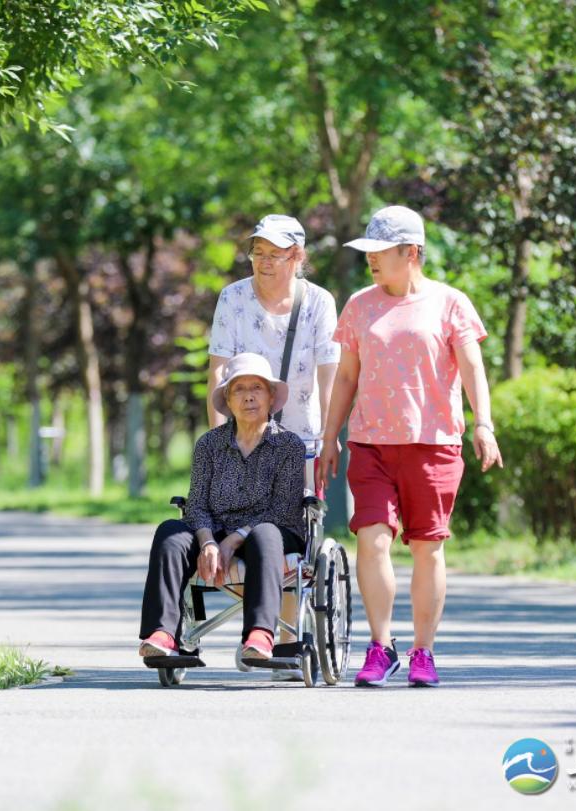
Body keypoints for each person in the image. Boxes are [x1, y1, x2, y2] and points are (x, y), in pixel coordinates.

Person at [317, 205, 502, 688]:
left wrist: (483, 424)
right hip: (371, 442)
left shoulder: (450, 303)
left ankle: (424, 651)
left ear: (411, 252)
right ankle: (381, 647)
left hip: (432, 443)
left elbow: (473, 368)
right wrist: (330, 437)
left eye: (381, 251)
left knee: (427, 548)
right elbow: (347, 377)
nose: (372, 259)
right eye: (369, 251)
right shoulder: (359, 305)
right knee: (372, 539)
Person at [207, 214, 341, 678]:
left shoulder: (319, 302)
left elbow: (329, 376)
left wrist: (331, 438)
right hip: (242, 438)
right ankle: (259, 627)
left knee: (286, 535)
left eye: (275, 254)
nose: (263, 261)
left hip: (300, 438)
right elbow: (218, 372)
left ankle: (282, 639)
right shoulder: (233, 298)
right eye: (258, 252)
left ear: (297, 257)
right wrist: (219, 443)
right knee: (234, 524)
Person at [139, 353, 306, 663]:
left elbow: (281, 510)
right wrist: (208, 543)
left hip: (270, 534)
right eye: (238, 389)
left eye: (257, 387)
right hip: (214, 530)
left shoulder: (289, 446)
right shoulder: (209, 445)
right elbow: (197, 503)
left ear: (271, 396)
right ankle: (162, 634)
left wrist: (234, 539)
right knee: (170, 532)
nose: (248, 396)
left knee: (266, 533)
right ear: (228, 400)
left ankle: (259, 635)